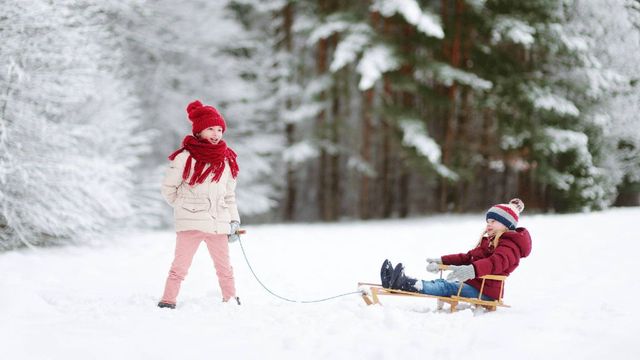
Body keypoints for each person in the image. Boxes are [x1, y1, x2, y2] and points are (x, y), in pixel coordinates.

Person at [157, 100, 242, 309]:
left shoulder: (225, 160)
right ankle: (168, 300)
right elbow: (168, 188)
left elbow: (229, 195)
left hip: (217, 223)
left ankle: (230, 299)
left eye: (220, 129)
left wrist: (233, 220)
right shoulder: (185, 157)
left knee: (224, 267)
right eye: (210, 128)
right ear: (199, 131)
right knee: (180, 267)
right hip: (191, 223)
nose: (216, 133)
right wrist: (186, 206)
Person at [381, 198, 531, 301]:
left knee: (446, 286)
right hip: (475, 284)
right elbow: (466, 257)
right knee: (441, 282)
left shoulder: (510, 246)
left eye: (493, 221)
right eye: (487, 221)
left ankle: (404, 283)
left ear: (506, 224)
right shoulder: (489, 241)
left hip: (486, 291)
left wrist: (473, 270)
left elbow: (495, 263)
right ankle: (398, 281)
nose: (488, 225)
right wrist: (442, 260)